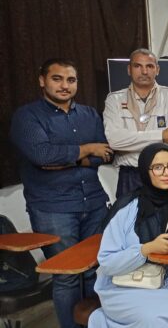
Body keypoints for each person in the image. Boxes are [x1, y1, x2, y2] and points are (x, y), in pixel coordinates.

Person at [10, 58, 112, 328]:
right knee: (66, 276)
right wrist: (86, 150)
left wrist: (68, 158)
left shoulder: (89, 115)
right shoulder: (27, 116)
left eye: (71, 80)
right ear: (42, 80)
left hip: (94, 203)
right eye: (57, 79)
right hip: (53, 209)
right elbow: (42, 156)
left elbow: (104, 154)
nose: (65, 85)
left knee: (95, 270)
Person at [88, 143, 168, 327]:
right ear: (145, 171)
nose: (167, 172)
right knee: (154, 319)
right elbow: (107, 262)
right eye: (158, 167)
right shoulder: (127, 207)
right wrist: (146, 250)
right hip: (124, 283)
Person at [104, 48, 168, 198]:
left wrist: (131, 141)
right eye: (137, 66)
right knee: (128, 214)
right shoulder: (114, 99)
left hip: (164, 173)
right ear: (129, 69)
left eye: (149, 66)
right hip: (130, 176)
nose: (144, 71)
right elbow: (115, 140)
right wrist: (162, 135)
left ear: (157, 70)